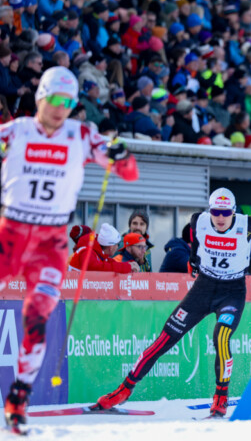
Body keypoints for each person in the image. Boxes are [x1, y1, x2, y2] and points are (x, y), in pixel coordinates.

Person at [0, 66, 139, 431]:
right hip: (12, 232)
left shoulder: (81, 135)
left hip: (50, 241)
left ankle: (18, 400)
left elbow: (129, 172)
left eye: (68, 102)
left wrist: (121, 155)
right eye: (55, 100)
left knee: (37, 318)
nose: (60, 108)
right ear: (40, 98)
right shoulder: (16, 131)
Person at [93, 188, 251, 418]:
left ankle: (220, 397)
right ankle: (123, 390)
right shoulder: (199, 220)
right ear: (210, 211)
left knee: (221, 336)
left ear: (233, 212)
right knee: (165, 338)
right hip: (204, 288)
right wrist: (194, 260)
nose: (220, 218)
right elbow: (195, 237)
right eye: (216, 212)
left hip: (232, 291)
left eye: (225, 213)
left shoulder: (246, 223)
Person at [69, 223, 139, 274]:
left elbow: (111, 263)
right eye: (118, 244)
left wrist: (129, 264)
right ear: (111, 247)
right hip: (72, 289)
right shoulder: (86, 251)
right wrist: (127, 267)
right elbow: (96, 267)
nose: (118, 247)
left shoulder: (99, 254)